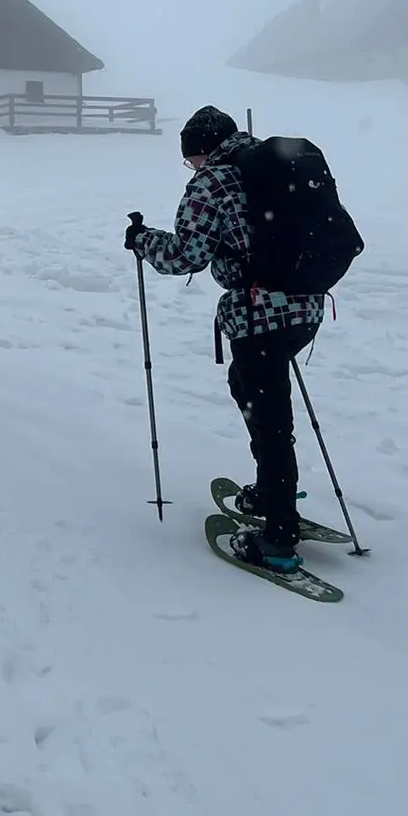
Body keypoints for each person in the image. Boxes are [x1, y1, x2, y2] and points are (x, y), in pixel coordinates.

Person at [126, 105, 323, 572]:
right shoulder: (277, 168)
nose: (191, 167)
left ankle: (278, 537)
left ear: (200, 152)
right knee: (263, 400)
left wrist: (142, 240)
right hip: (307, 303)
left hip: (258, 312)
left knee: (268, 417)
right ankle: (270, 491)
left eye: (189, 159)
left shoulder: (213, 181)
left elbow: (185, 255)